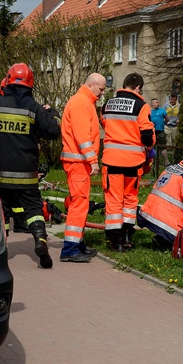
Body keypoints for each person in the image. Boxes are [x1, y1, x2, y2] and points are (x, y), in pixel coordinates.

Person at [0, 63, 61, 269]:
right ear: (30, 83)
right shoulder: (33, 107)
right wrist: (52, 112)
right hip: (26, 174)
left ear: (8, 80)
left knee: (2, 212)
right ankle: (40, 241)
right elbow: (54, 131)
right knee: (34, 209)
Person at [100, 73, 156, 251]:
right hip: (133, 163)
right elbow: (147, 134)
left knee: (114, 199)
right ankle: (126, 236)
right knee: (130, 199)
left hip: (112, 161)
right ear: (138, 87)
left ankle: (114, 240)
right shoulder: (141, 106)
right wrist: (149, 149)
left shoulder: (107, 105)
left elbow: (105, 126)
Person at [59, 72, 107, 262]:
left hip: (78, 162)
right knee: (79, 204)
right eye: (101, 89)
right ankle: (70, 249)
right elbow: (82, 136)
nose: (102, 93)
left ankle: (77, 244)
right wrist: (92, 160)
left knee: (79, 203)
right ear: (91, 85)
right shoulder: (81, 103)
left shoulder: (84, 102)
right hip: (78, 162)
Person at [149, 97, 167, 169]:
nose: (157, 104)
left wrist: (163, 123)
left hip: (160, 132)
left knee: (162, 147)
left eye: (158, 102)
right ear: (152, 104)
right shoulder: (150, 112)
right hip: (153, 132)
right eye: (156, 102)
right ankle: (154, 162)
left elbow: (167, 118)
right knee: (153, 147)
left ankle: (166, 161)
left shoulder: (162, 111)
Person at [164, 93, 180, 165]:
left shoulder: (179, 106)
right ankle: (166, 158)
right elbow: (163, 113)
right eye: (171, 99)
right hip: (167, 125)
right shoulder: (166, 105)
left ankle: (174, 157)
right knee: (167, 137)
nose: (172, 101)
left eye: (173, 99)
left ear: (176, 99)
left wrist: (179, 120)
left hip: (175, 126)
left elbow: (181, 114)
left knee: (175, 140)